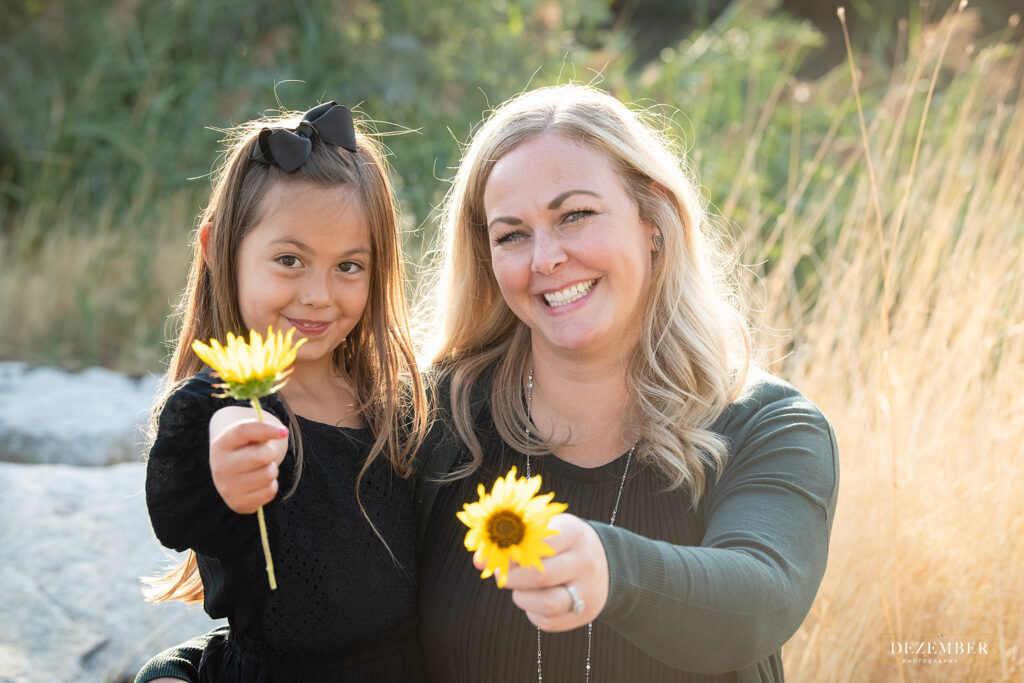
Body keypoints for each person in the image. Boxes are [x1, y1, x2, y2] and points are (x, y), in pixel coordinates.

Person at [138, 84, 838, 683]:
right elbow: (315, 616)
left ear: (652, 220)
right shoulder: (438, 421)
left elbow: (762, 597)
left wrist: (607, 565)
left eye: (576, 214)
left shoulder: (765, 425)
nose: (548, 258)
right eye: (511, 234)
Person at [140, 101, 429, 682]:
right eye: (290, 260)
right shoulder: (225, 401)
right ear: (218, 252)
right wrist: (228, 460)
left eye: (349, 266)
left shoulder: (393, 402)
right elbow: (184, 497)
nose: (319, 295)